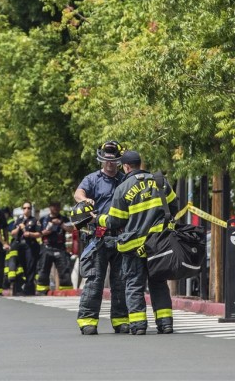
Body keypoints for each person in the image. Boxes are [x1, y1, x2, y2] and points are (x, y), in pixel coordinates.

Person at [98, 150, 178, 335]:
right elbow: (174, 207)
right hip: (158, 245)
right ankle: (165, 323)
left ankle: (138, 325)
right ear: (140, 163)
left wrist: (98, 219)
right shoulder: (160, 181)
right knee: (158, 283)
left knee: (134, 285)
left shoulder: (123, 188)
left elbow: (115, 221)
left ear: (125, 167)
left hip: (135, 247)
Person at [74, 140, 129, 335]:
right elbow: (78, 193)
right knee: (95, 280)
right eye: (106, 160)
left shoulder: (124, 180)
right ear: (101, 160)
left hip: (120, 237)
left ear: (118, 161)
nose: (110, 163)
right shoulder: (92, 179)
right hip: (98, 238)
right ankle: (88, 321)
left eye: (113, 160)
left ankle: (121, 320)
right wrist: (84, 199)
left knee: (120, 281)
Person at [35, 201, 75, 295]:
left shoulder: (64, 219)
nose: (56, 208)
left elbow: (71, 229)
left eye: (58, 206)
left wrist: (60, 223)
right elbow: (38, 233)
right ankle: (42, 290)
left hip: (60, 248)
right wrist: (45, 232)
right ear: (49, 207)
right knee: (43, 270)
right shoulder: (43, 219)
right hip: (47, 247)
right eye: (54, 206)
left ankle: (66, 290)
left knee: (64, 270)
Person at [8, 201, 41, 296]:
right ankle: (19, 288)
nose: (26, 210)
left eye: (28, 208)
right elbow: (13, 233)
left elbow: (39, 233)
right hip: (20, 247)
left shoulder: (34, 220)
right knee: (20, 268)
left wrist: (29, 233)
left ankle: (30, 288)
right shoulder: (19, 220)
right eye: (24, 208)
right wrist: (19, 227)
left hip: (30, 246)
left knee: (30, 267)